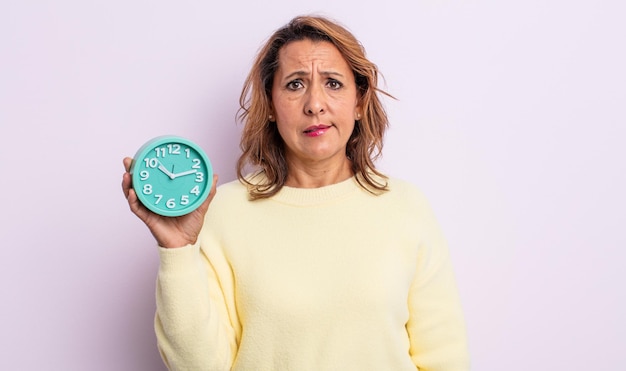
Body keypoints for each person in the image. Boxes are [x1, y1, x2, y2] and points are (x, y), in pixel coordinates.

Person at [122, 15, 469, 371]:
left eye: (333, 83)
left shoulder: (406, 206)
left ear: (359, 102)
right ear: (271, 105)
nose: (315, 104)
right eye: (294, 85)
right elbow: (199, 365)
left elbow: (446, 359)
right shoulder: (221, 211)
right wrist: (177, 250)